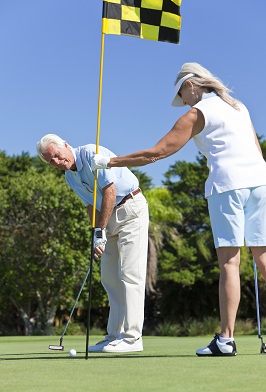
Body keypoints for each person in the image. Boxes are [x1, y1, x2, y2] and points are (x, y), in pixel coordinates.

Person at [91, 62, 266, 356]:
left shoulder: (197, 113)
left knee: (230, 262)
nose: (182, 101)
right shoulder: (239, 106)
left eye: (182, 94)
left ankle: (225, 340)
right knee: (262, 258)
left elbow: (157, 153)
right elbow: (256, 149)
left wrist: (110, 162)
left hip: (228, 185)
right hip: (261, 181)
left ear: (191, 85)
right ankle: (226, 338)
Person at [36, 134, 149, 353]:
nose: (57, 162)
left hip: (130, 209)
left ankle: (132, 337)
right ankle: (114, 335)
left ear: (66, 146)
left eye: (58, 156)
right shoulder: (70, 177)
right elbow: (91, 205)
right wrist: (96, 234)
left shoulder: (90, 153)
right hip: (108, 218)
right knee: (109, 277)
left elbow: (110, 191)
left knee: (129, 274)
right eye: (51, 161)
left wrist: (100, 229)